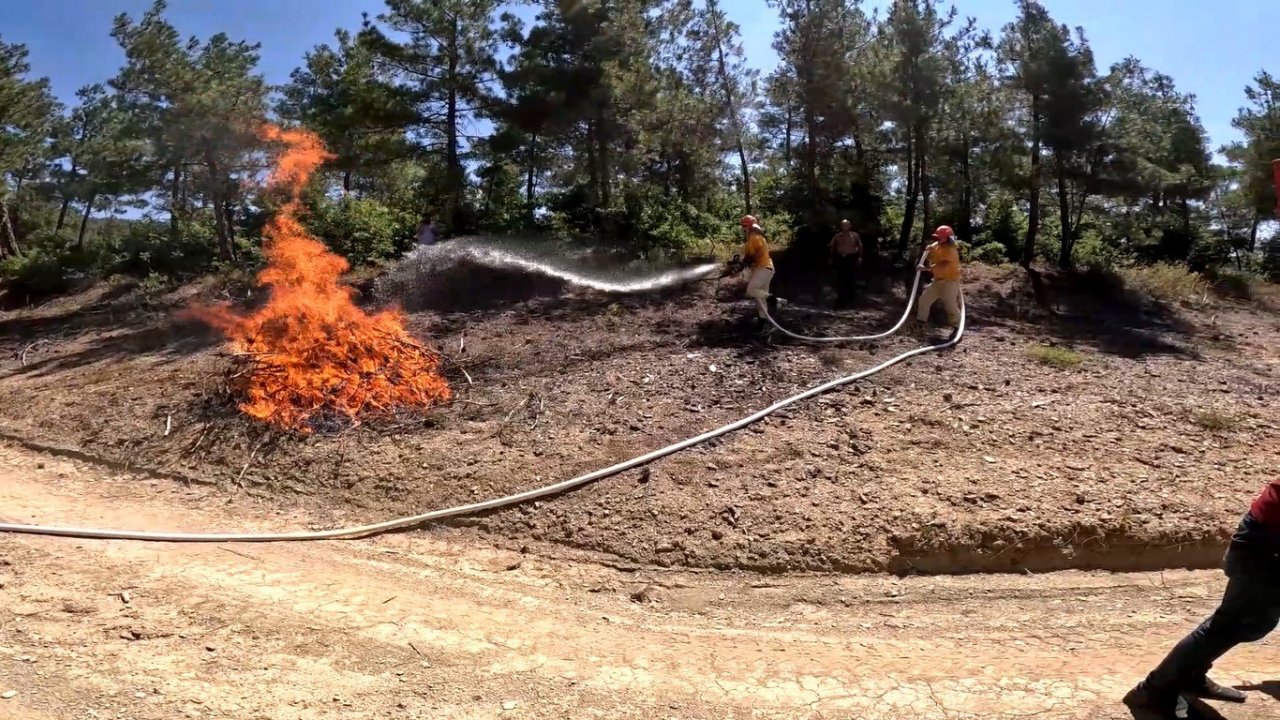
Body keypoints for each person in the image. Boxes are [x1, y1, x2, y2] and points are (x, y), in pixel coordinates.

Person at [1123, 477, 1280, 719]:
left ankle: (1189, 675)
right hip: (1265, 543)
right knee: (1232, 623)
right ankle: (1152, 692)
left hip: (1266, 537)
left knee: (1251, 622)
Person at [916, 225, 962, 331]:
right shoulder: (938, 245)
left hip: (950, 282)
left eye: (941, 237)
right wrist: (929, 248)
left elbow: (943, 265)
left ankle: (957, 326)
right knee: (924, 300)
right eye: (937, 237)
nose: (938, 239)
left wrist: (925, 268)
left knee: (950, 305)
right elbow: (933, 247)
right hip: (937, 281)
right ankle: (920, 322)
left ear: (948, 238)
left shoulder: (951, 250)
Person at [739, 215, 778, 332]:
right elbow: (749, 255)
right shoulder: (753, 237)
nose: (743, 228)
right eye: (743, 226)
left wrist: (749, 261)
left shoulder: (755, 237)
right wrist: (744, 262)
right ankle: (763, 325)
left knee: (751, 290)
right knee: (759, 299)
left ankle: (771, 298)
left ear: (750, 226)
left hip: (763, 268)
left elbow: (760, 252)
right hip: (767, 269)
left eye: (745, 226)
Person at [829, 219, 863, 306]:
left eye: (847, 225)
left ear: (850, 226)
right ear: (841, 226)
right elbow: (832, 247)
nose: (845, 227)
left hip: (851, 258)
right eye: (843, 225)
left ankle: (851, 300)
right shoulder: (837, 236)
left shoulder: (855, 235)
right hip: (841, 258)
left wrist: (859, 257)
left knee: (851, 278)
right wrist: (831, 258)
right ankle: (841, 299)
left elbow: (860, 246)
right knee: (841, 278)